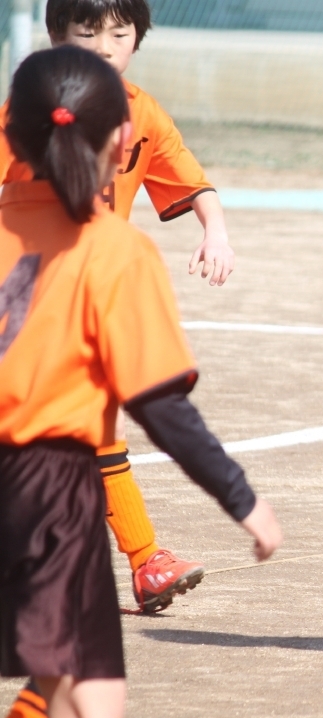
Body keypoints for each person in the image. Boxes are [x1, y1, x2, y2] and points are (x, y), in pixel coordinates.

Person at [0, 46, 281, 718]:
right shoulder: (118, 251)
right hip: (44, 494)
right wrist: (243, 500)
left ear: (10, 136)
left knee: (50, 681)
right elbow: (160, 405)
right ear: (124, 144)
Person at [0, 0, 239, 615]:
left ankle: (146, 561)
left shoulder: (142, 113)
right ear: (56, 35)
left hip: (88, 293)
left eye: (118, 32)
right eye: (87, 31)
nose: (104, 45)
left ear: (137, 38)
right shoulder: (29, 108)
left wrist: (215, 232)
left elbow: (192, 181)